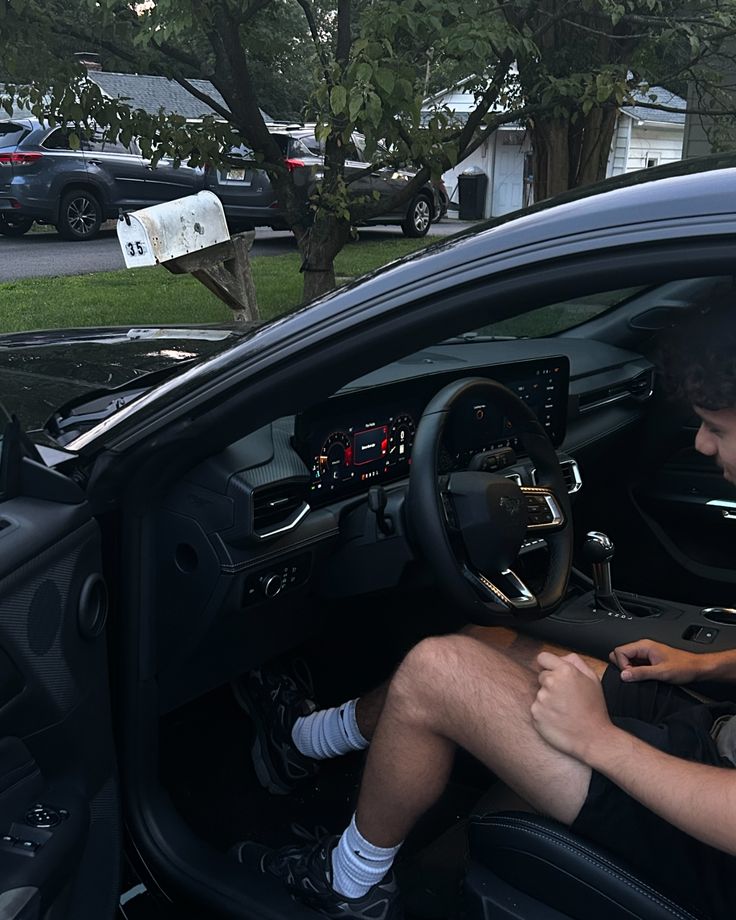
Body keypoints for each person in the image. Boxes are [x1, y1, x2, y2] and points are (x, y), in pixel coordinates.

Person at [232, 300, 736, 920]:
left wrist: (599, 742)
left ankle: (348, 884)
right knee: (489, 638)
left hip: (711, 833)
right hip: (714, 733)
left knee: (436, 671)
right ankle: (303, 742)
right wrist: (705, 668)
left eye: (719, 426)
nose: (701, 442)